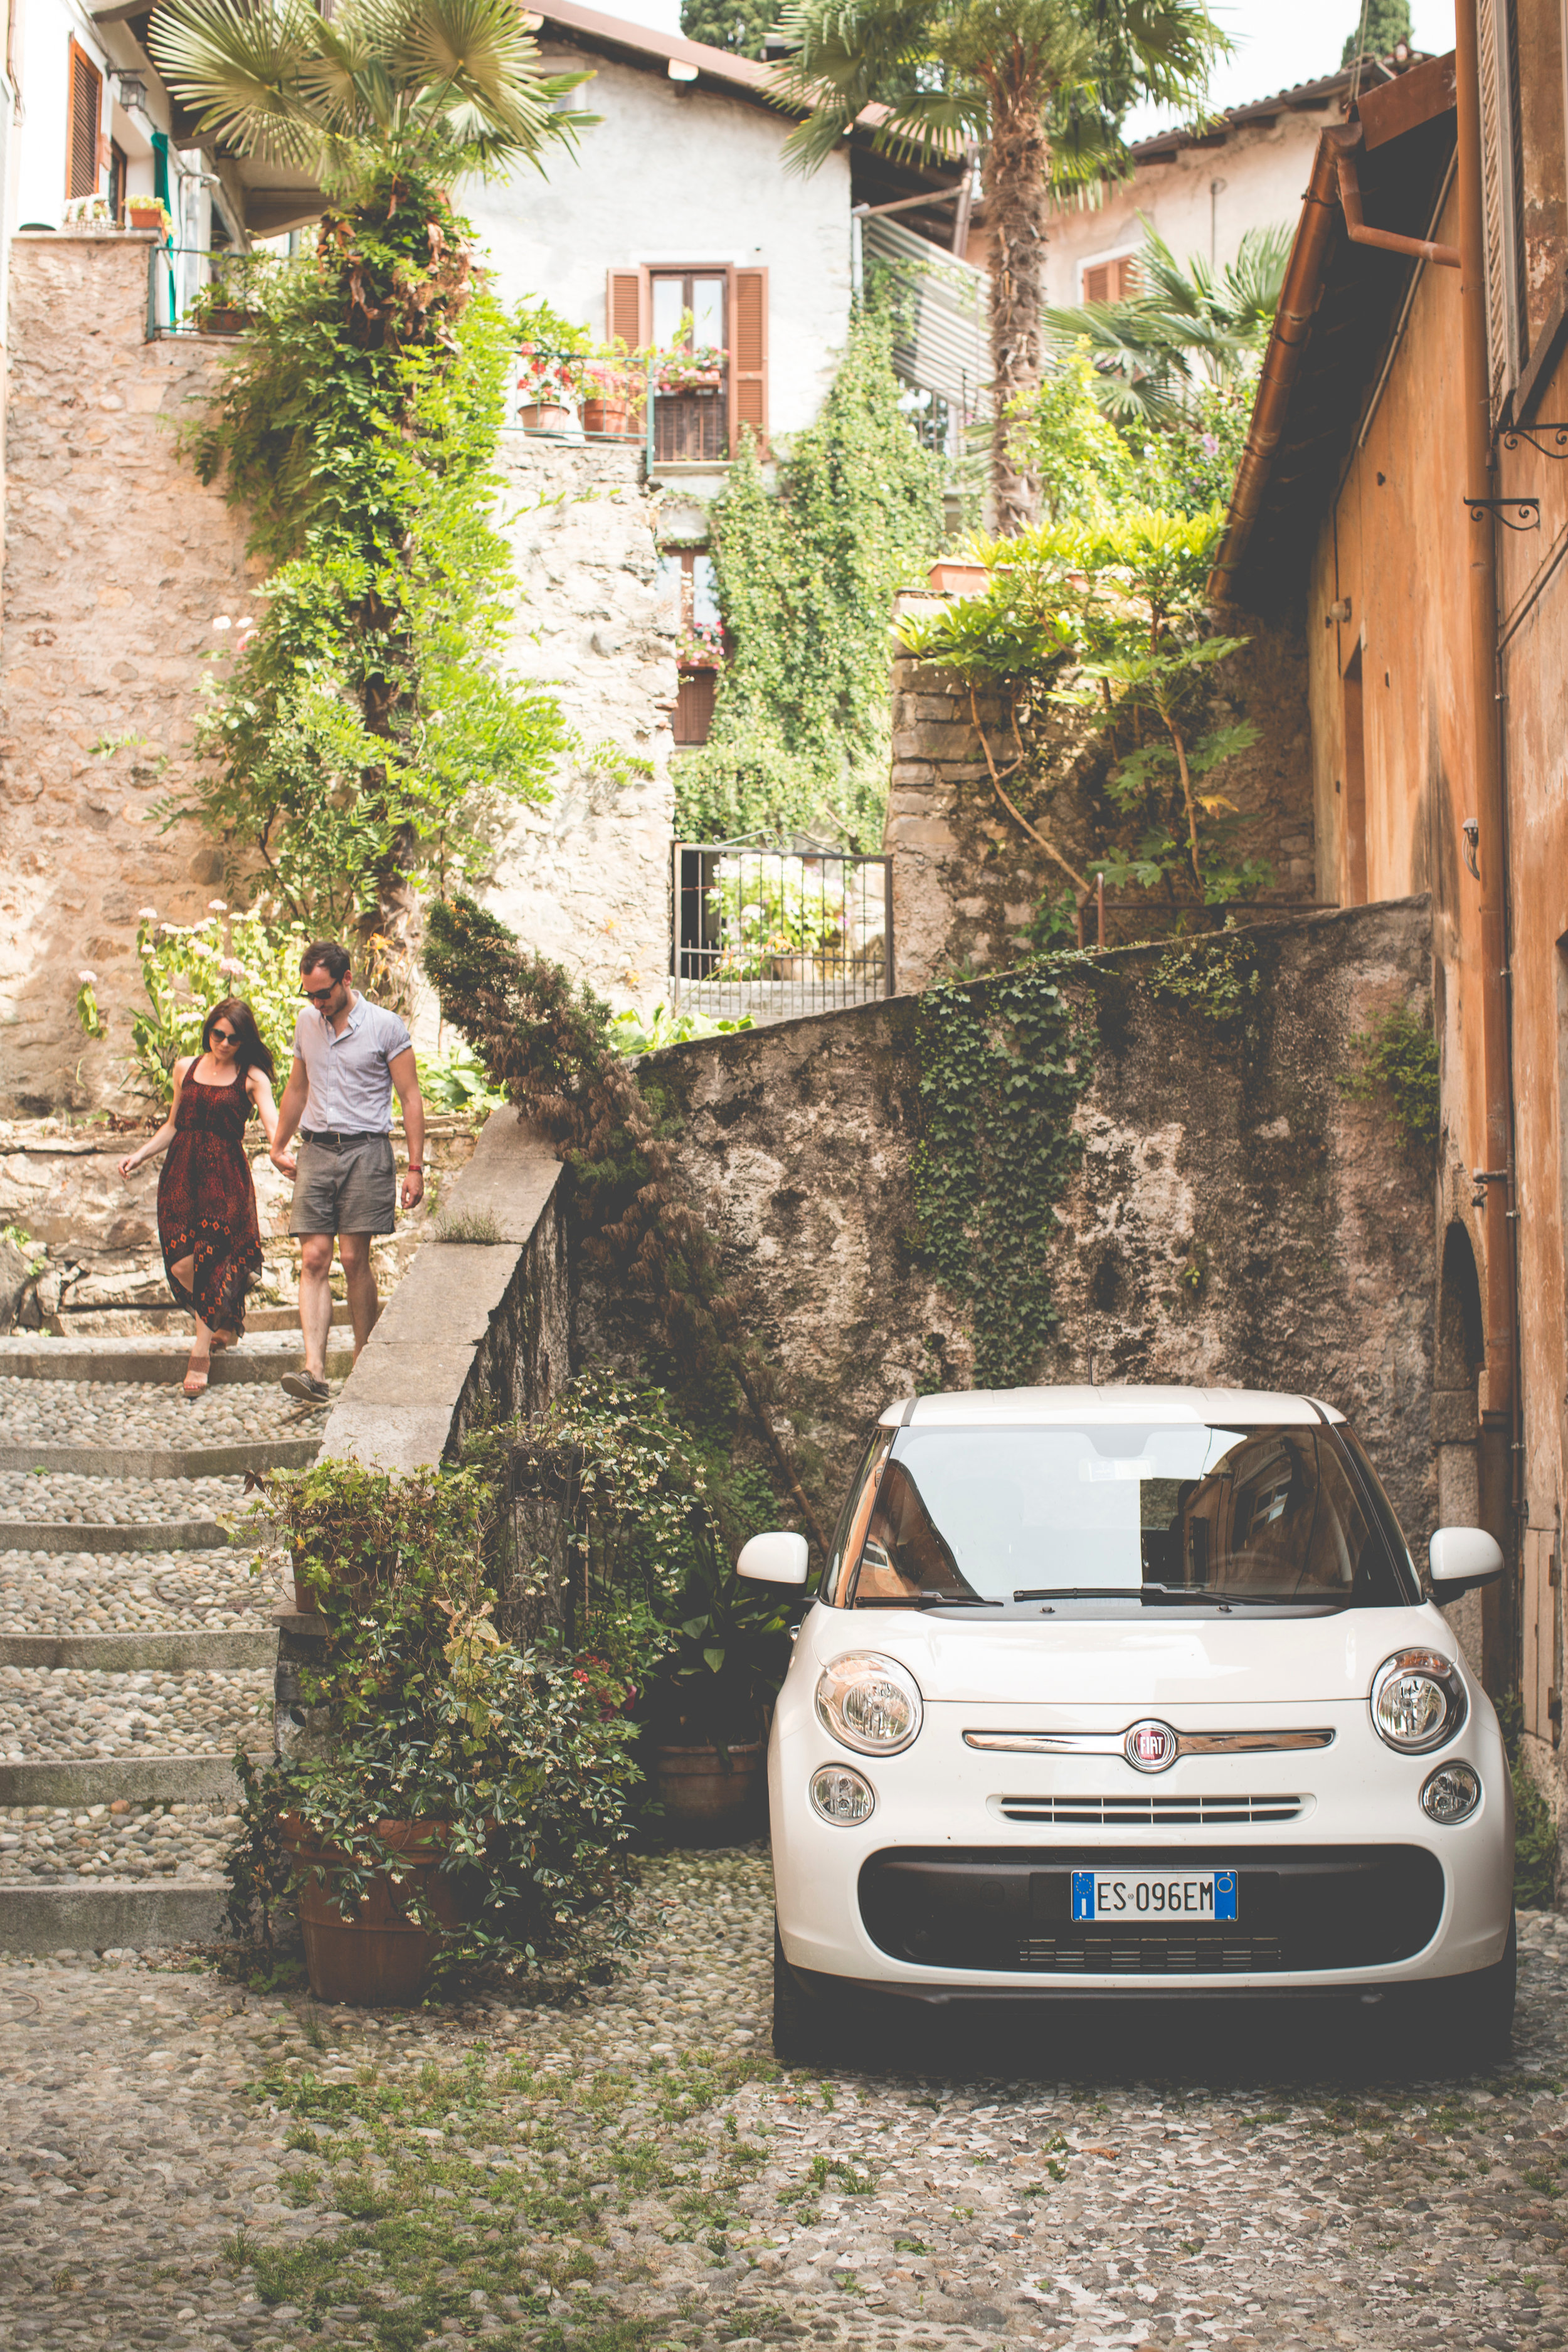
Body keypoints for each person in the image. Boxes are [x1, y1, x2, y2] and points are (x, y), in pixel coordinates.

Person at [268, 941, 425, 1406]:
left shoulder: (384, 1026)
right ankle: (314, 1372)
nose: (317, 1004)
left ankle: (363, 1360)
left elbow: (411, 1097)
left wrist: (415, 1167)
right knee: (314, 1257)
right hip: (316, 1149)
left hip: (367, 1150)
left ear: (346, 980)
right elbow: (298, 1088)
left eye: (324, 994)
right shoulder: (306, 1024)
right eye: (310, 995)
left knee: (355, 1259)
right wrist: (278, 1143)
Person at [117, 999, 283, 1399]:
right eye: (218, 1034)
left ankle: (201, 1350)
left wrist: (289, 1157)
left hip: (224, 1177)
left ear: (244, 1041)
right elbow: (174, 1124)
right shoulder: (185, 1068)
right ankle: (224, 1314)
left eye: (233, 1038)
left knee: (210, 1258)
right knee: (180, 1262)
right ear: (209, 1030)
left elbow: (276, 1129)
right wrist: (140, 1155)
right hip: (180, 1173)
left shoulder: (252, 1077)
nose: (224, 1043)